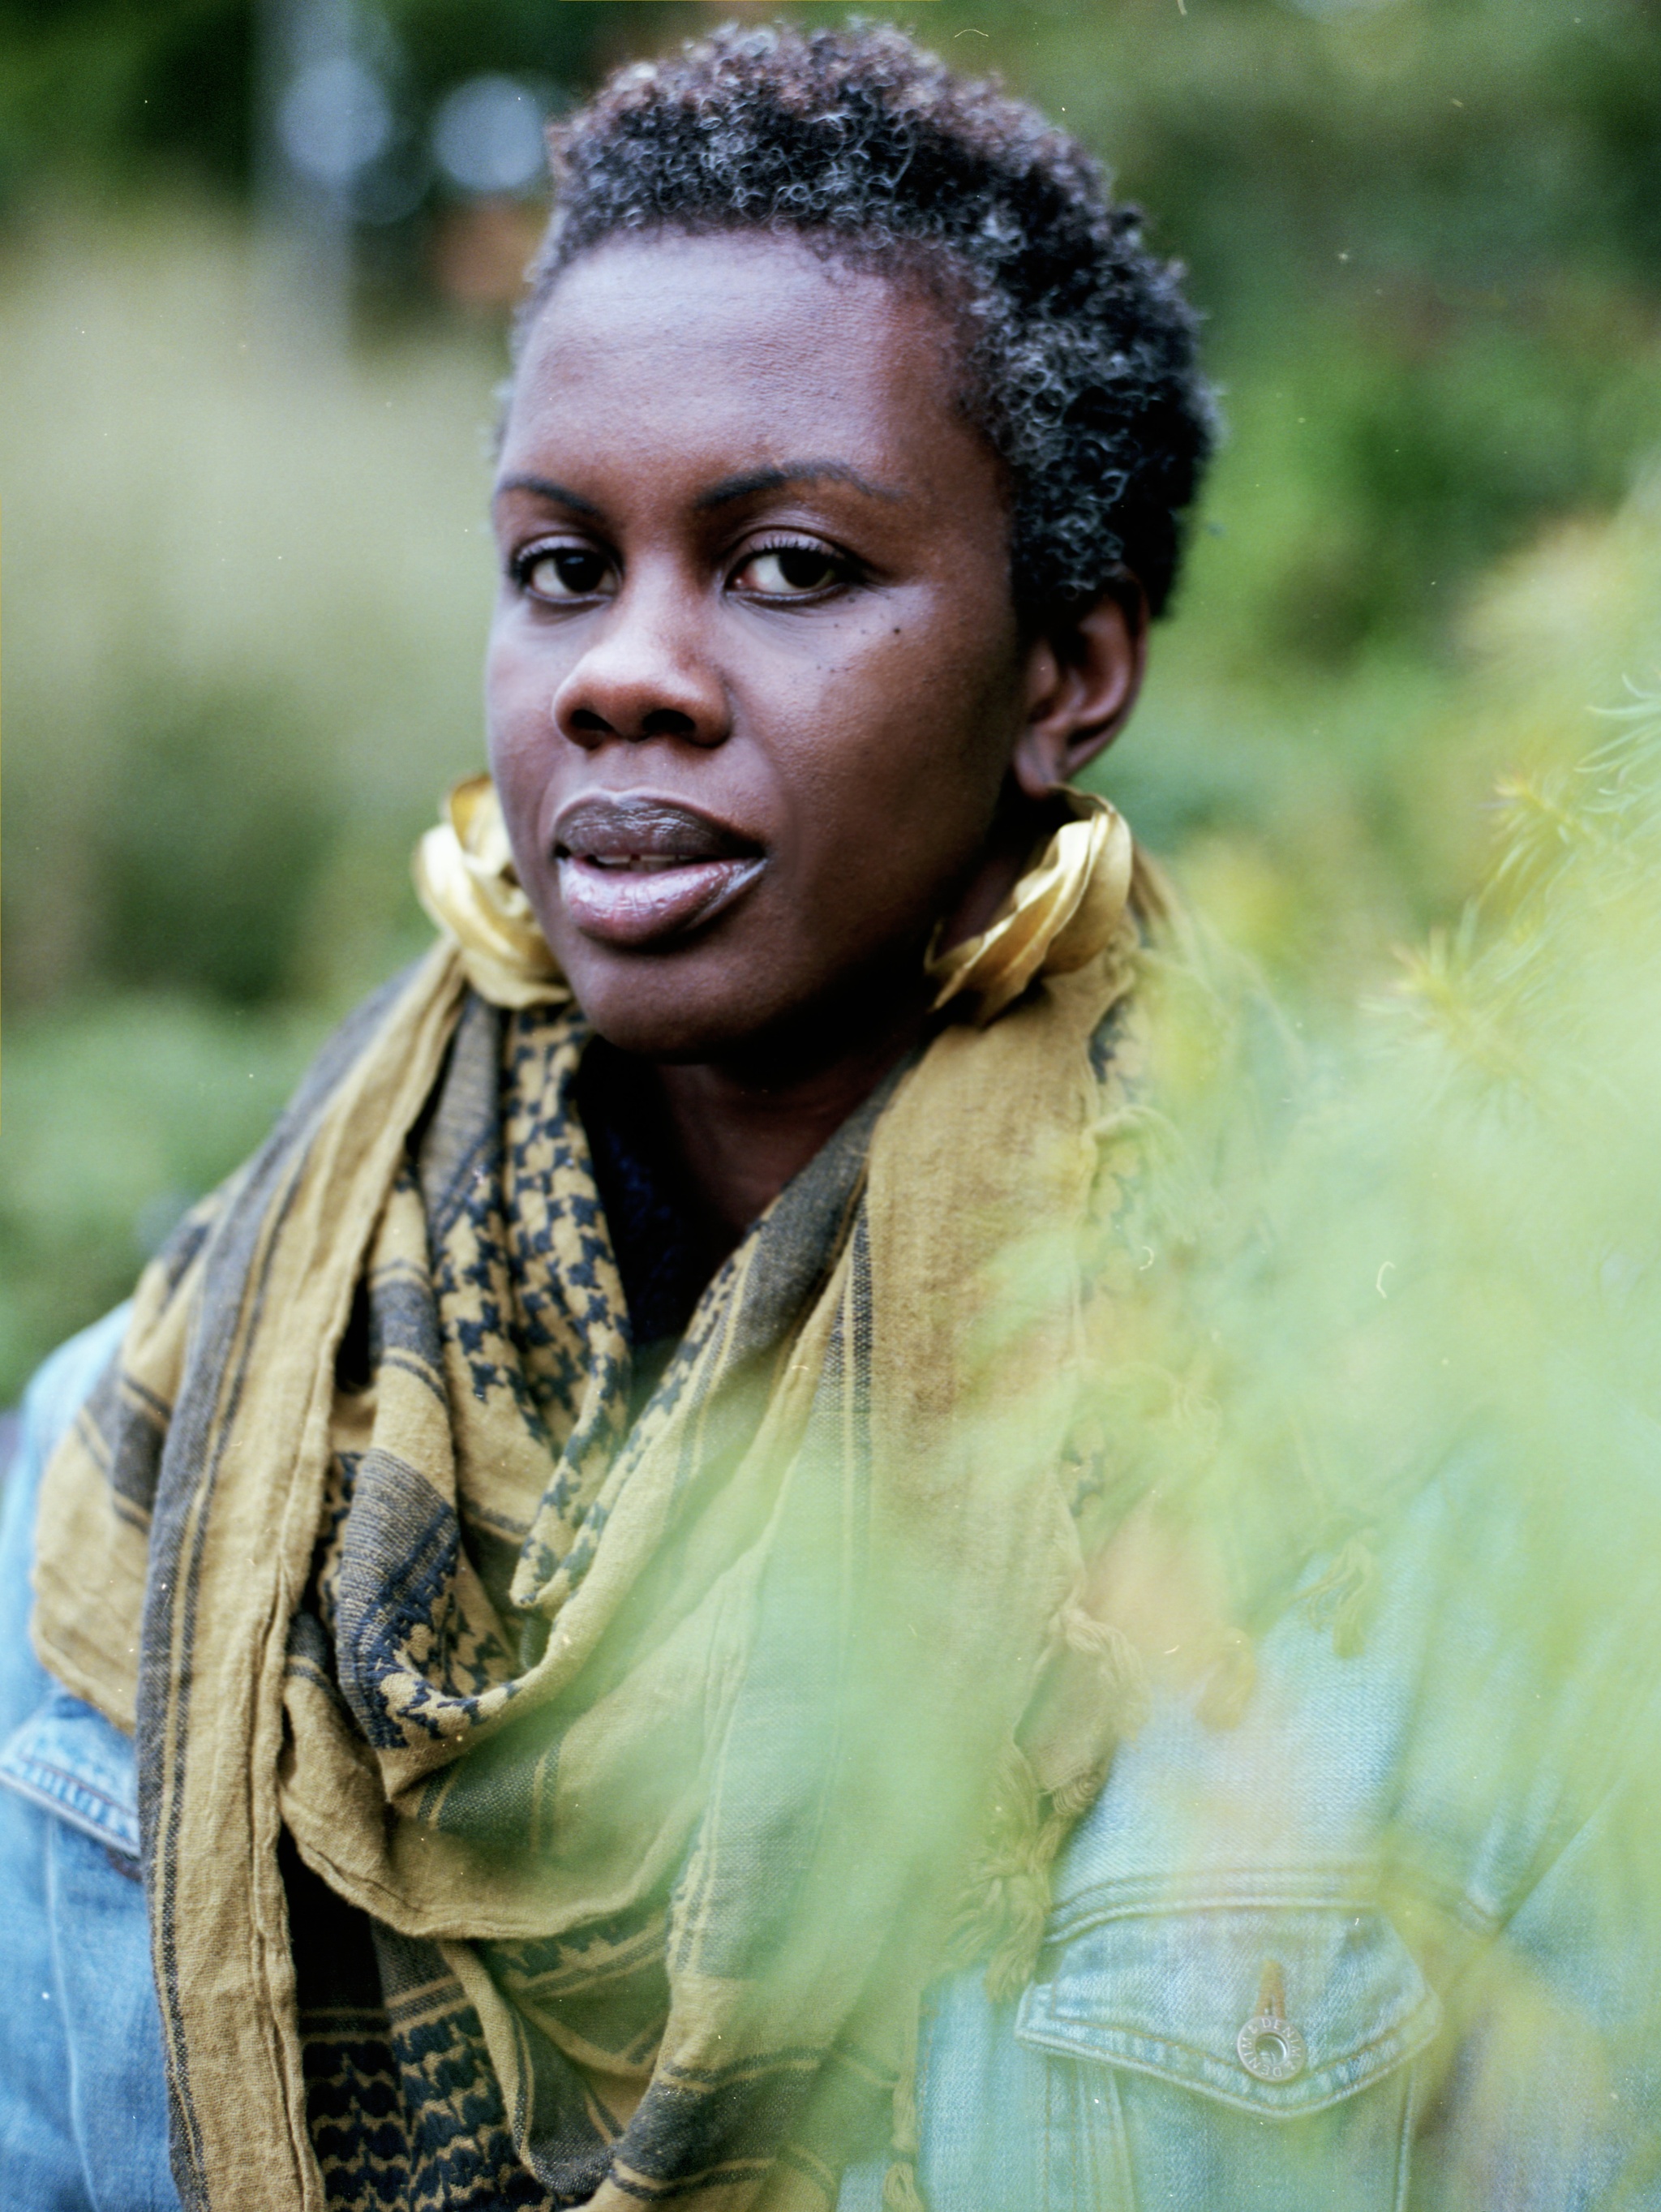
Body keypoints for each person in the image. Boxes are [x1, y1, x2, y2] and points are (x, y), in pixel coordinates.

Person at [2, 21, 1658, 2212]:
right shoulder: (138, 1462)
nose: (620, 670)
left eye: (788, 566)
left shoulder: (1413, 1490)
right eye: (559, 565)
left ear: (1067, 672)